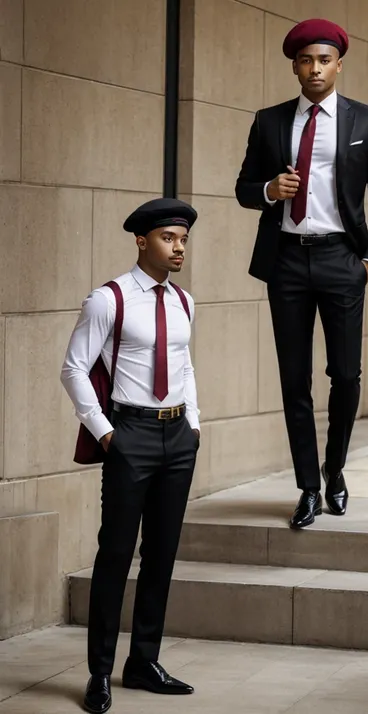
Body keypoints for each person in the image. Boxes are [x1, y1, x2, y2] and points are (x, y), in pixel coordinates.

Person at [235, 19, 368, 529]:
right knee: (293, 379)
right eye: (306, 60)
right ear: (295, 66)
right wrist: (268, 190)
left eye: (324, 59)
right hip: (286, 260)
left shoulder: (366, 122)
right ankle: (307, 486)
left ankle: (336, 471)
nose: (315, 68)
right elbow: (243, 188)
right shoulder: (269, 122)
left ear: (339, 64)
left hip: (341, 260)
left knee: (345, 375)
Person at [61, 198, 200, 713]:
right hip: (129, 436)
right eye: (169, 238)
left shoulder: (185, 302)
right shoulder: (109, 299)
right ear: (143, 240)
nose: (178, 246)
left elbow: (185, 365)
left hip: (177, 438)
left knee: (161, 555)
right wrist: (105, 434)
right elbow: (74, 368)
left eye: (183, 239)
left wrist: (195, 423)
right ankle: (99, 672)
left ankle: (143, 662)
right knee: (115, 555)